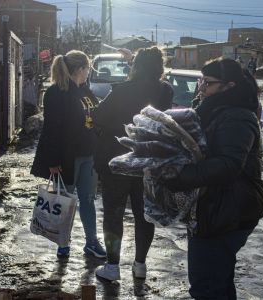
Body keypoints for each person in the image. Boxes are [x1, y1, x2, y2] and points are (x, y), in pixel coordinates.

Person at [164, 57, 263, 299]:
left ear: (229, 86)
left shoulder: (238, 116)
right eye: (201, 81)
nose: (201, 88)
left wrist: (180, 176)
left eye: (207, 83)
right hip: (214, 208)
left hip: (226, 210)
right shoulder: (214, 110)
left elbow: (228, 165)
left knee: (206, 288)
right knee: (216, 283)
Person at [93, 47, 173, 281]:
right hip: (149, 161)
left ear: (136, 66)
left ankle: (112, 266)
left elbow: (98, 116)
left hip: (118, 161)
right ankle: (140, 266)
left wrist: (115, 128)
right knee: (144, 214)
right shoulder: (165, 91)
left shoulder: (122, 90)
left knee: (114, 213)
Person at [30, 50, 106, 259]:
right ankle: (62, 243)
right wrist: (53, 161)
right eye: (87, 68)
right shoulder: (56, 92)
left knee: (88, 200)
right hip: (67, 159)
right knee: (63, 202)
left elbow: (96, 117)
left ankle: (92, 243)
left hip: (89, 156)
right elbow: (51, 130)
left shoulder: (85, 91)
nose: (88, 72)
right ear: (80, 69)